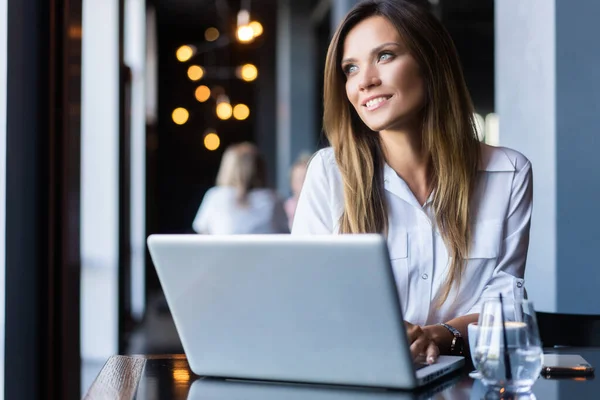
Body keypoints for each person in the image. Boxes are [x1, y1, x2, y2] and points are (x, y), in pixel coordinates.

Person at [292, 0, 533, 366]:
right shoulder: (329, 173)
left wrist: (435, 336)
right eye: (350, 68)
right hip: (361, 377)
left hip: (469, 381)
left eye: (385, 56)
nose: (365, 81)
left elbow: (505, 308)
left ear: (430, 62)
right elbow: (306, 299)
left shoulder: (508, 173)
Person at [193, 142, 289, 234]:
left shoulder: (215, 196)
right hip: (266, 251)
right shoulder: (273, 199)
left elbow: (203, 231)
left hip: (223, 251)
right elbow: (285, 231)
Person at [284, 153, 311, 229]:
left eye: (306, 179)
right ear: (291, 183)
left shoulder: (321, 209)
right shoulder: (284, 210)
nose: (303, 184)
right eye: (299, 179)